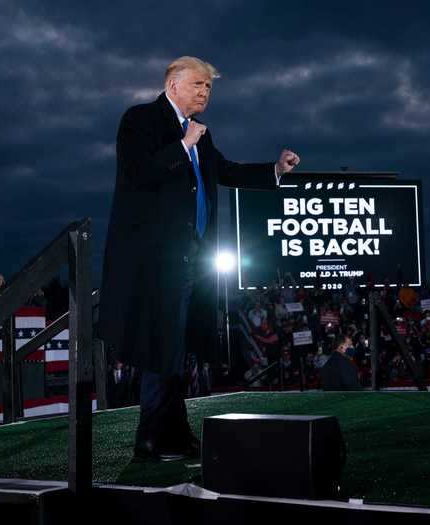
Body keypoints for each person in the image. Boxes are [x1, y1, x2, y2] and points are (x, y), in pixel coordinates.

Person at [98, 56, 299, 462]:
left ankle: (175, 431)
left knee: (184, 347)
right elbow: (136, 174)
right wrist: (181, 146)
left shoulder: (202, 135)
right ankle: (149, 437)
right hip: (157, 260)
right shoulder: (140, 120)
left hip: (195, 260)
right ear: (173, 84)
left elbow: (225, 170)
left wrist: (274, 171)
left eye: (208, 87)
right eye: (198, 85)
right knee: (161, 346)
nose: (205, 93)